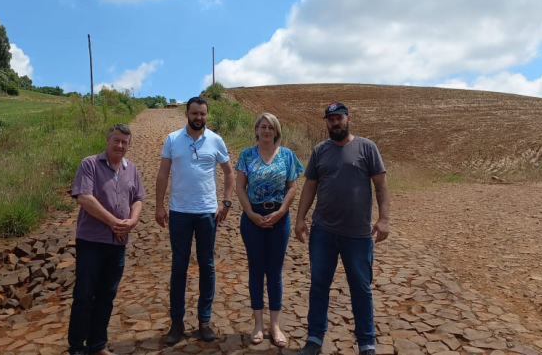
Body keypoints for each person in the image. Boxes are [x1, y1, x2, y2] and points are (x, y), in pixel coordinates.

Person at [294, 102, 391, 355]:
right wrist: (300, 218)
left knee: (361, 288)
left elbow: (380, 185)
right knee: (318, 286)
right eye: (330, 119)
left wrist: (384, 219)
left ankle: (366, 343)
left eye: (339, 118)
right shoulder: (320, 151)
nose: (335, 123)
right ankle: (314, 338)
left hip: (358, 234)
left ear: (348, 119)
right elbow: (310, 187)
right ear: (326, 123)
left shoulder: (367, 148)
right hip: (323, 232)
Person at [155, 96, 235, 345]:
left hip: (206, 213)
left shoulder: (216, 140)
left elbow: (229, 172)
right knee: (179, 266)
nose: (198, 118)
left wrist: (226, 203)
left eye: (202, 114)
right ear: (186, 114)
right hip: (179, 212)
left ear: (206, 115)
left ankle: (204, 321)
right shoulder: (172, 139)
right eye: (194, 113)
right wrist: (159, 205)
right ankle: (176, 323)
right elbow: (162, 173)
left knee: (207, 265)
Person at [67, 124, 145, 355]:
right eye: (116, 140)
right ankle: (77, 347)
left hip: (118, 243)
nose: (120, 145)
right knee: (84, 294)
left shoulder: (131, 169)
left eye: (125, 142)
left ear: (129, 145)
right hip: (92, 240)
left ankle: (97, 344)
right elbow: (84, 198)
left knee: (107, 295)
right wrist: (113, 222)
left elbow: (138, 199)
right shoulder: (90, 164)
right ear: (108, 140)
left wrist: (132, 222)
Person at [235, 112, 304, 347]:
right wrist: (252, 215)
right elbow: (240, 188)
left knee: (274, 272)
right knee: (256, 269)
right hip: (252, 217)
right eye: (263, 127)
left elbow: (293, 188)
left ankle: (275, 326)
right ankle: (258, 324)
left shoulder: (287, 155)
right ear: (256, 130)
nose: (266, 131)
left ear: (276, 132)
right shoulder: (245, 155)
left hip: (279, 217)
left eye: (271, 128)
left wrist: (282, 211)